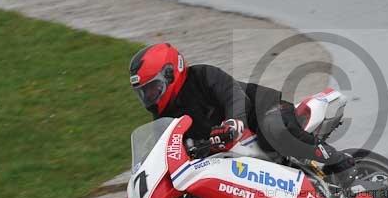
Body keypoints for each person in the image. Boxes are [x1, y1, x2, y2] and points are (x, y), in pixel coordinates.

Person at [129, 43, 356, 186]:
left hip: (262, 112)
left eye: (152, 88)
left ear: (170, 74)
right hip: (228, 152)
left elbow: (234, 95)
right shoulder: (165, 117)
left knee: (274, 130)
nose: (150, 97)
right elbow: (164, 147)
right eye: (144, 93)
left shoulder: (202, 75)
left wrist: (234, 122)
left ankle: (339, 162)